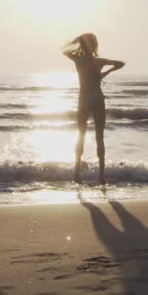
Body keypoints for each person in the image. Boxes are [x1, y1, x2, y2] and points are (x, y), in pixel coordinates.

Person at [62, 32, 125, 185]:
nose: (90, 46)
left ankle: (100, 175)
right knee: (82, 135)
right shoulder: (89, 60)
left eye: (90, 43)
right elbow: (120, 64)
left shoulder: (89, 60)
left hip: (92, 99)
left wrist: (105, 73)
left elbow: (121, 63)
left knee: (98, 137)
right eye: (88, 43)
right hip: (89, 99)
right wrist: (104, 73)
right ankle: (78, 173)